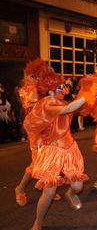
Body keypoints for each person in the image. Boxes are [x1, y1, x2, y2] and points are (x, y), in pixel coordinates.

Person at [24, 69, 89, 230]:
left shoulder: (62, 102)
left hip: (70, 150)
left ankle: (70, 194)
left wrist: (88, 90)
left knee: (78, 186)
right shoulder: (47, 103)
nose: (63, 89)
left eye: (63, 87)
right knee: (49, 192)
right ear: (50, 90)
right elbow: (68, 108)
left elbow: (78, 108)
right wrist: (88, 95)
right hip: (52, 152)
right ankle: (37, 223)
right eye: (58, 87)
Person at [15, 59, 61, 206]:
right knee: (37, 163)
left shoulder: (43, 88)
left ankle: (48, 188)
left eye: (41, 75)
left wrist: (51, 76)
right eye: (36, 75)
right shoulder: (28, 91)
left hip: (48, 127)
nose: (39, 78)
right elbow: (35, 109)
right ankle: (20, 188)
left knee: (52, 158)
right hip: (35, 130)